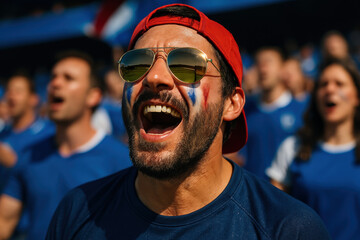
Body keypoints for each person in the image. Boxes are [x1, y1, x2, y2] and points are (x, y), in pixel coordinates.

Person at [46, 4, 330, 239]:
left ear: (232, 104)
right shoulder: (78, 211)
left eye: (187, 64)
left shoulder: (287, 228)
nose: (154, 77)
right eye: (137, 64)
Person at [0, 51, 132, 240]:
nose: (55, 83)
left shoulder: (122, 161)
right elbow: (4, 222)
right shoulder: (29, 156)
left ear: (93, 96)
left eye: (68, 78)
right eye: (53, 77)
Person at [267, 58, 360, 240]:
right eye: (323, 84)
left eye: (339, 84)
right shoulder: (292, 147)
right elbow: (271, 213)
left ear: (357, 97)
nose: (330, 90)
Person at [240, 47, 308, 179]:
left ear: (283, 69)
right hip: (252, 192)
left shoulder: (301, 110)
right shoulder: (245, 109)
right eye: (259, 63)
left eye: (269, 62)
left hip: (288, 195)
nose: (263, 69)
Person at [0, 73, 55, 190]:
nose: (11, 96)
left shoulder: (48, 133)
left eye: (18, 91)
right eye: (9, 91)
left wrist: (11, 161)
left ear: (33, 99)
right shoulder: (3, 134)